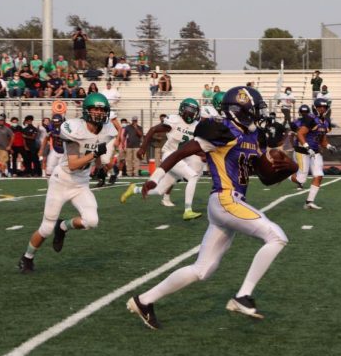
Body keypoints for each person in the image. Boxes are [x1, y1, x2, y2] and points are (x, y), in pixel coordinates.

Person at [126, 86, 294, 329]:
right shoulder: (221, 130)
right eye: (254, 110)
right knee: (277, 237)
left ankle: (144, 301)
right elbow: (180, 153)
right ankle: (242, 296)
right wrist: (156, 177)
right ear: (240, 110)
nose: (259, 115)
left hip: (229, 204)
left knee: (202, 270)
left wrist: (288, 169)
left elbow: (265, 177)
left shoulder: (254, 136)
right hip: (226, 200)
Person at [18, 93, 118, 273]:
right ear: (86, 111)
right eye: (95, 109)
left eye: (102, 109)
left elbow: (97, 148)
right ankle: (27, 257)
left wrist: (100, 165)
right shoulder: (74, 129)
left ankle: (63, 226)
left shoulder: (107, 130)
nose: (99, 113)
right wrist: (95, 154)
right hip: (62, 181)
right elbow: (73, 165)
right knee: (46, 228)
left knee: (92, 221)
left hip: (81, 184)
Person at [122, 98, 204, 220]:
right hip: (170, 155)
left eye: (194, 111)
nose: (191, 113)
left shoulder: (197, 126)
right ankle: (188, 210)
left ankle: (135, 189)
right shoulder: (174, 120)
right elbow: (153, 130)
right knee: (192, 176)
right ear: (182, 110)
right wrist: (143, 148)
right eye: (189, 110)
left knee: (159, 190)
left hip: (181, 159)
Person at [295, 97, 333, 209]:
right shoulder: (310, 118)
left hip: (315, 151)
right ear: (315, 107)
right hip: (303, 150)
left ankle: (309, 202)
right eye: (319, 107)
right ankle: (287, 174)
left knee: (319, 175)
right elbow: (300, 134)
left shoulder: (325, 122)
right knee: (301, 179)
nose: (322, 109)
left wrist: (329, 146)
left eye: (324, 107)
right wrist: (307, 147)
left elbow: (322, 140)